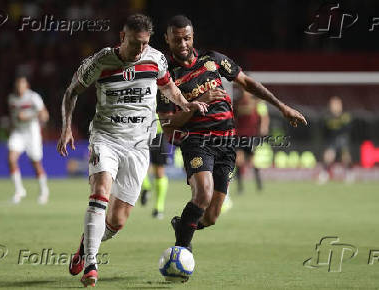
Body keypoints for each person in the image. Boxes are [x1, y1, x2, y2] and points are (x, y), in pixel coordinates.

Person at [56, 14, 207, 287]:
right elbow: (71, 92)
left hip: (138, 145)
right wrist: (66, 127)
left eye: (145, 44)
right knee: (100, 191)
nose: (140, 50)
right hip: (106, 138)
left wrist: (186, 105)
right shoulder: (100, 61)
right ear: (122, 37)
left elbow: (169, 87)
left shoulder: (156, 59)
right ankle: (91, 263)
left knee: (117, 221)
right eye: (135, 43)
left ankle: (85, 245)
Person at [157, 15, 307, 252]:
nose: (183, 44)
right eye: (177, 40)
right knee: (203, 193)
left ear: (193, 36)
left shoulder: (213, 60)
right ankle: (180, 254)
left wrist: (282, 106)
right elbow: (167, 125)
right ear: (167, 39)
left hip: (227, 143)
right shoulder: (166, 78)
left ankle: (183, 224)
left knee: (211, 216)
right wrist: (197, 102)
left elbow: (247, 82)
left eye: (187, 38)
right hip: (197, 141)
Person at [8, 76, 50, 204]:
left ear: (27, 86)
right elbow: (14, 117)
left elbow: (45, 115)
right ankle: (19, 190)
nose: (20, 88)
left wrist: (27, 116)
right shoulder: (11, 99)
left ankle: (44, 190)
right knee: (11, 159)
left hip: (32, 132)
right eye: (18, 85)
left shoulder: (33, 98)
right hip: (18, 132)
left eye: (22, 85)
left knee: (35, 163)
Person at [235, 89, 270, 194]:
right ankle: (240, 188)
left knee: (252, 161)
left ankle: (259, 184)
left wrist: (263, 127)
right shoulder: (238, 101)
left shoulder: (257, 103)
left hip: (250, 135)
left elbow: (264, 116)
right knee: (239, 161)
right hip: (238, 135)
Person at [140, 118, 172, 219]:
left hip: (157, 132)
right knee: (138, 164)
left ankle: (159, 207)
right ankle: (146, 186)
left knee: (159, 171)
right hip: (139, 131)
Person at [318, 96, 352, 183]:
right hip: (332, 140)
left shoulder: (345, 116)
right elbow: (324, 130)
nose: (335, 106)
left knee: (345, 156)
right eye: (333, 104)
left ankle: (349, 173)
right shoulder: (327, 117)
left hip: (342, 139)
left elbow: (347, 129)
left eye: (337, 104)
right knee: (328, 155)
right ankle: (325, 173)